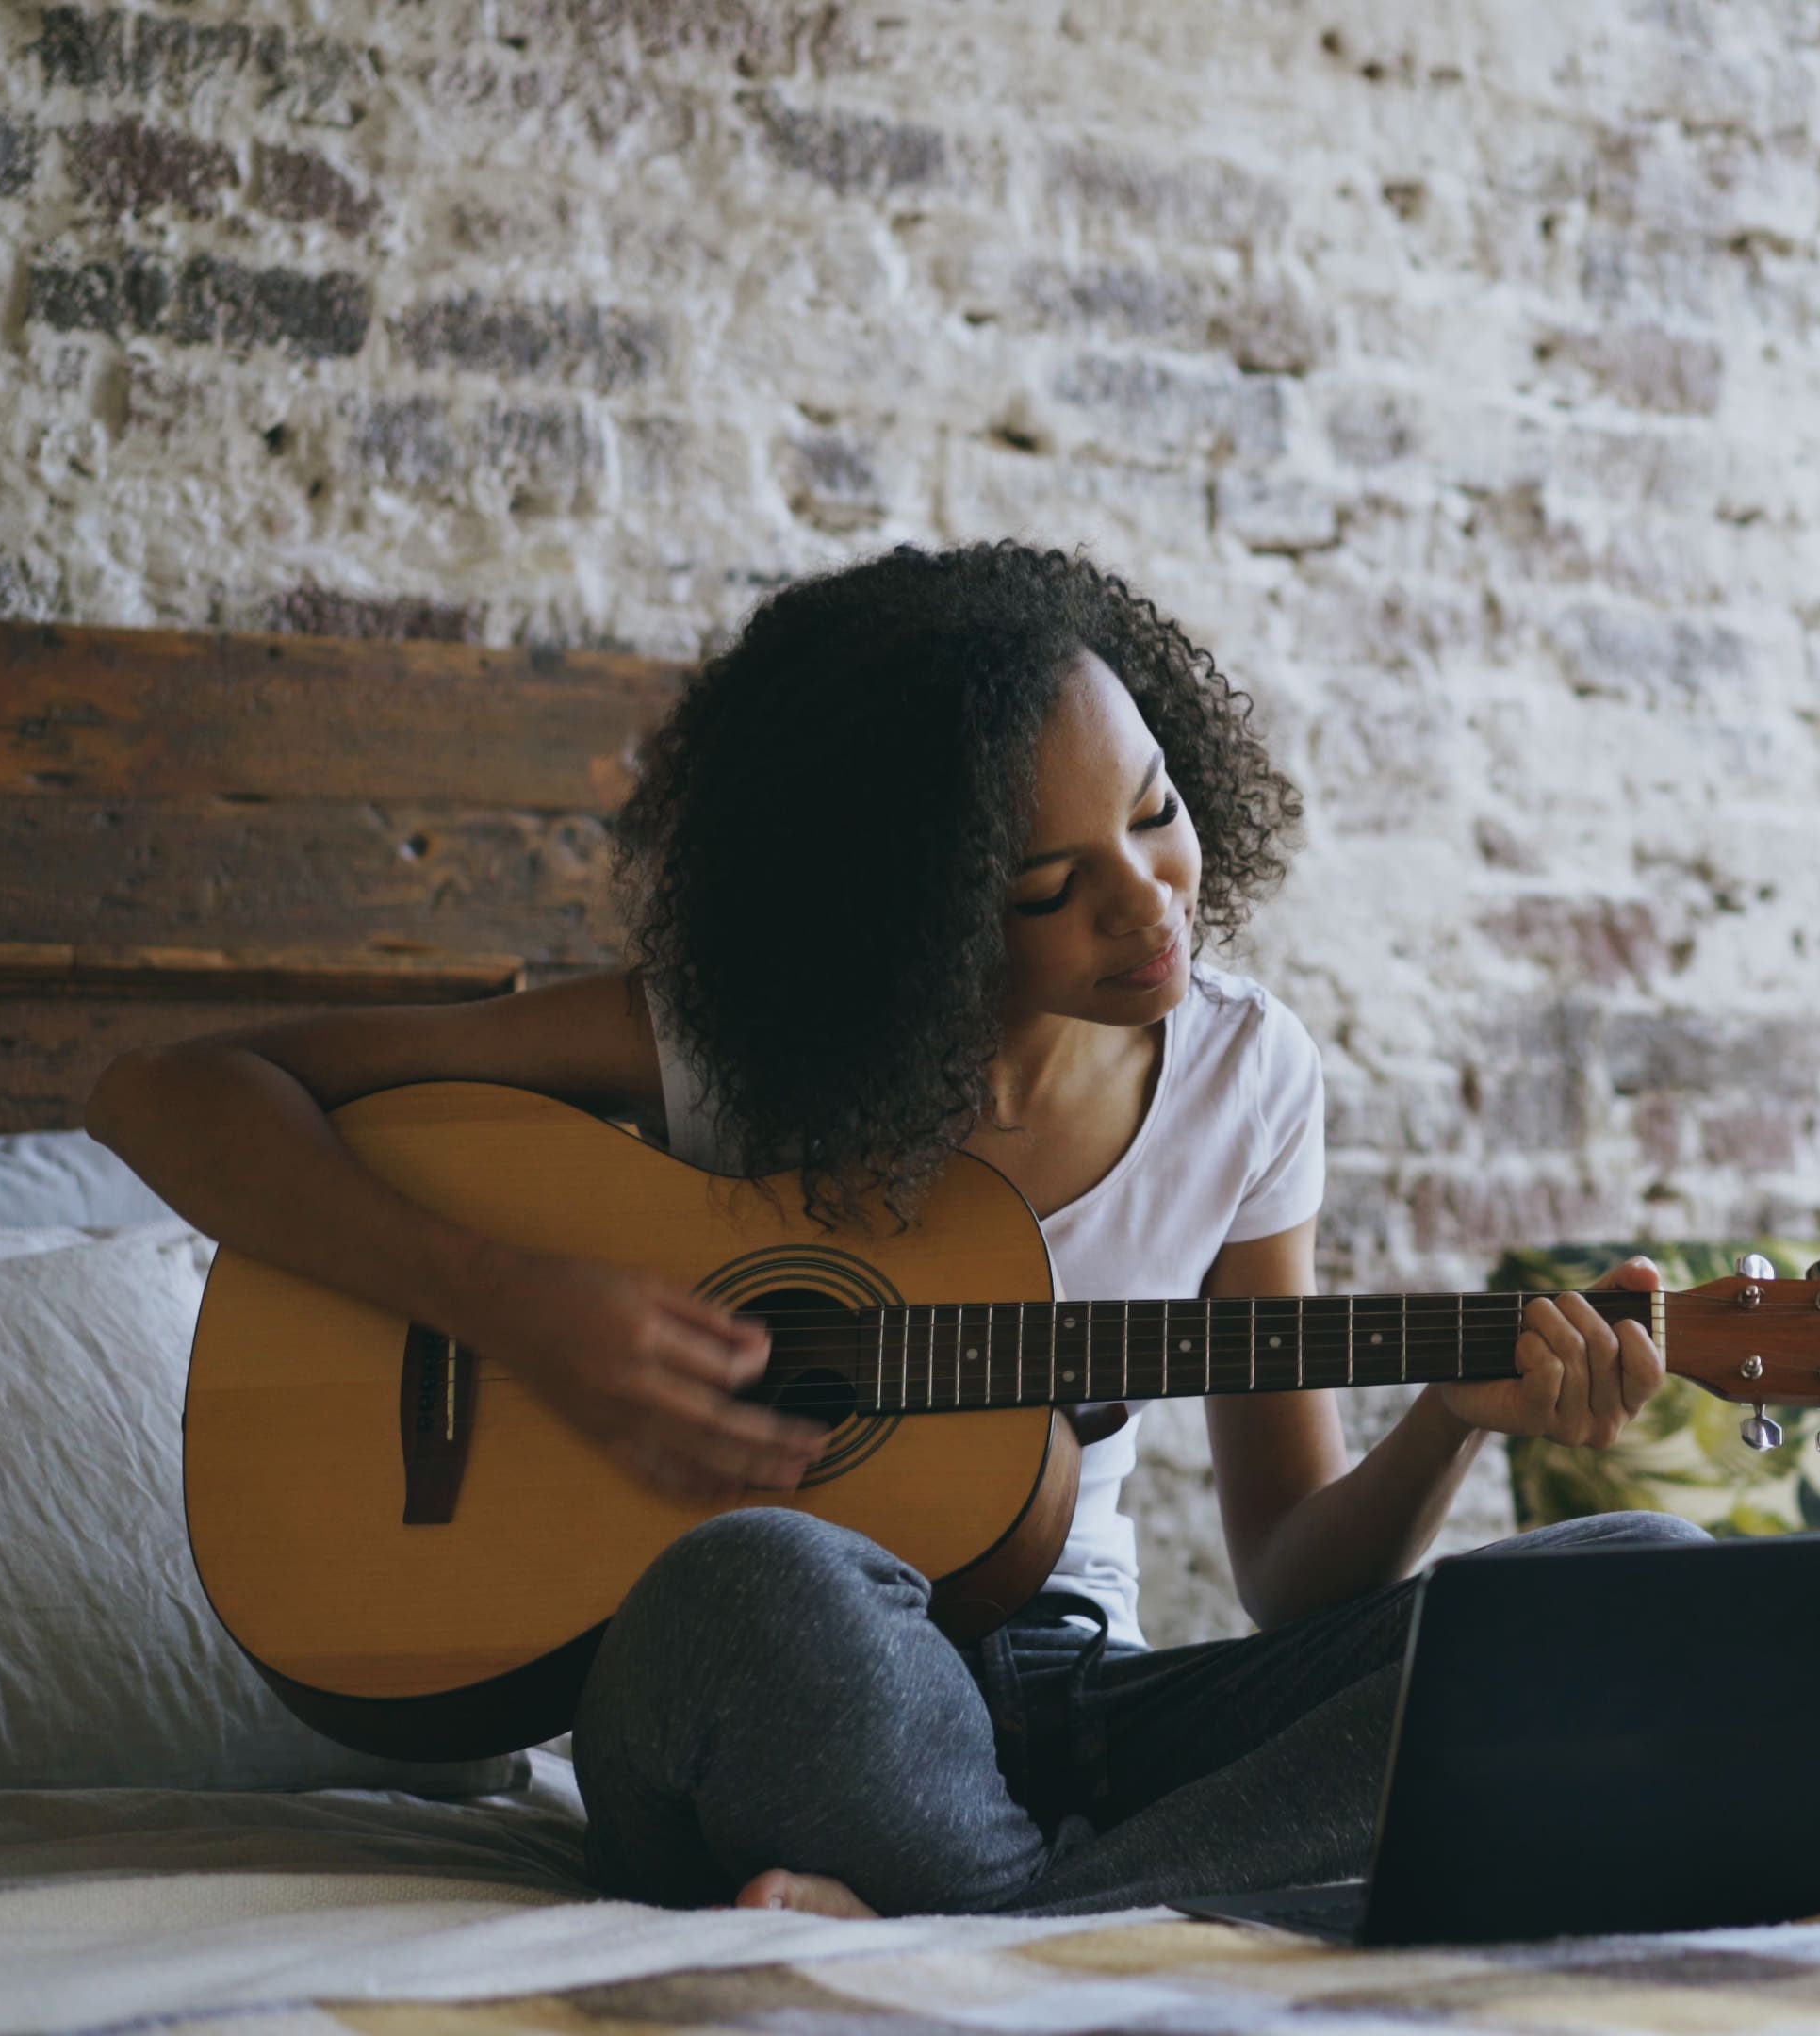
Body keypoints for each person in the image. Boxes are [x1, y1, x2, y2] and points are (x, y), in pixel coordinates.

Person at [88, 542, 1694, 1918]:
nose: (1149, 904)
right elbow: (173, 1092)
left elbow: (1291, 1580)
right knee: (762, 1579)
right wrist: (519, 1312)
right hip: (778, 1704)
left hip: (1078, 1708)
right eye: (1047, 885)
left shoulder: (1245, 1079)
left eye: (1156, 812)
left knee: (1642, 1585)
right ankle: (1096, 1903)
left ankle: (977, 1911)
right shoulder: (735, 1062)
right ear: (903, 907)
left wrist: (1449, 1426)